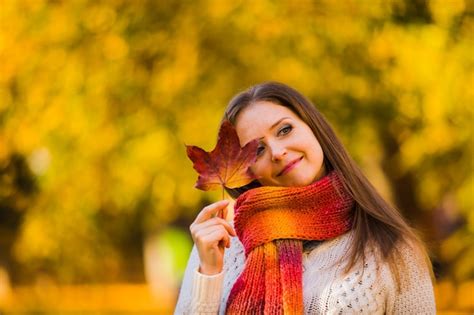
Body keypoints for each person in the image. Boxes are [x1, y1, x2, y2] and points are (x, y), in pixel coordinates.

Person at [175, 82, 436, 314]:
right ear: (247, 171)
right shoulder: (223, 245)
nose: (277, 152)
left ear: (314, 128)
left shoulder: (391, 248)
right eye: (258, 150)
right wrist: (209, 275)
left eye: (285, 130)